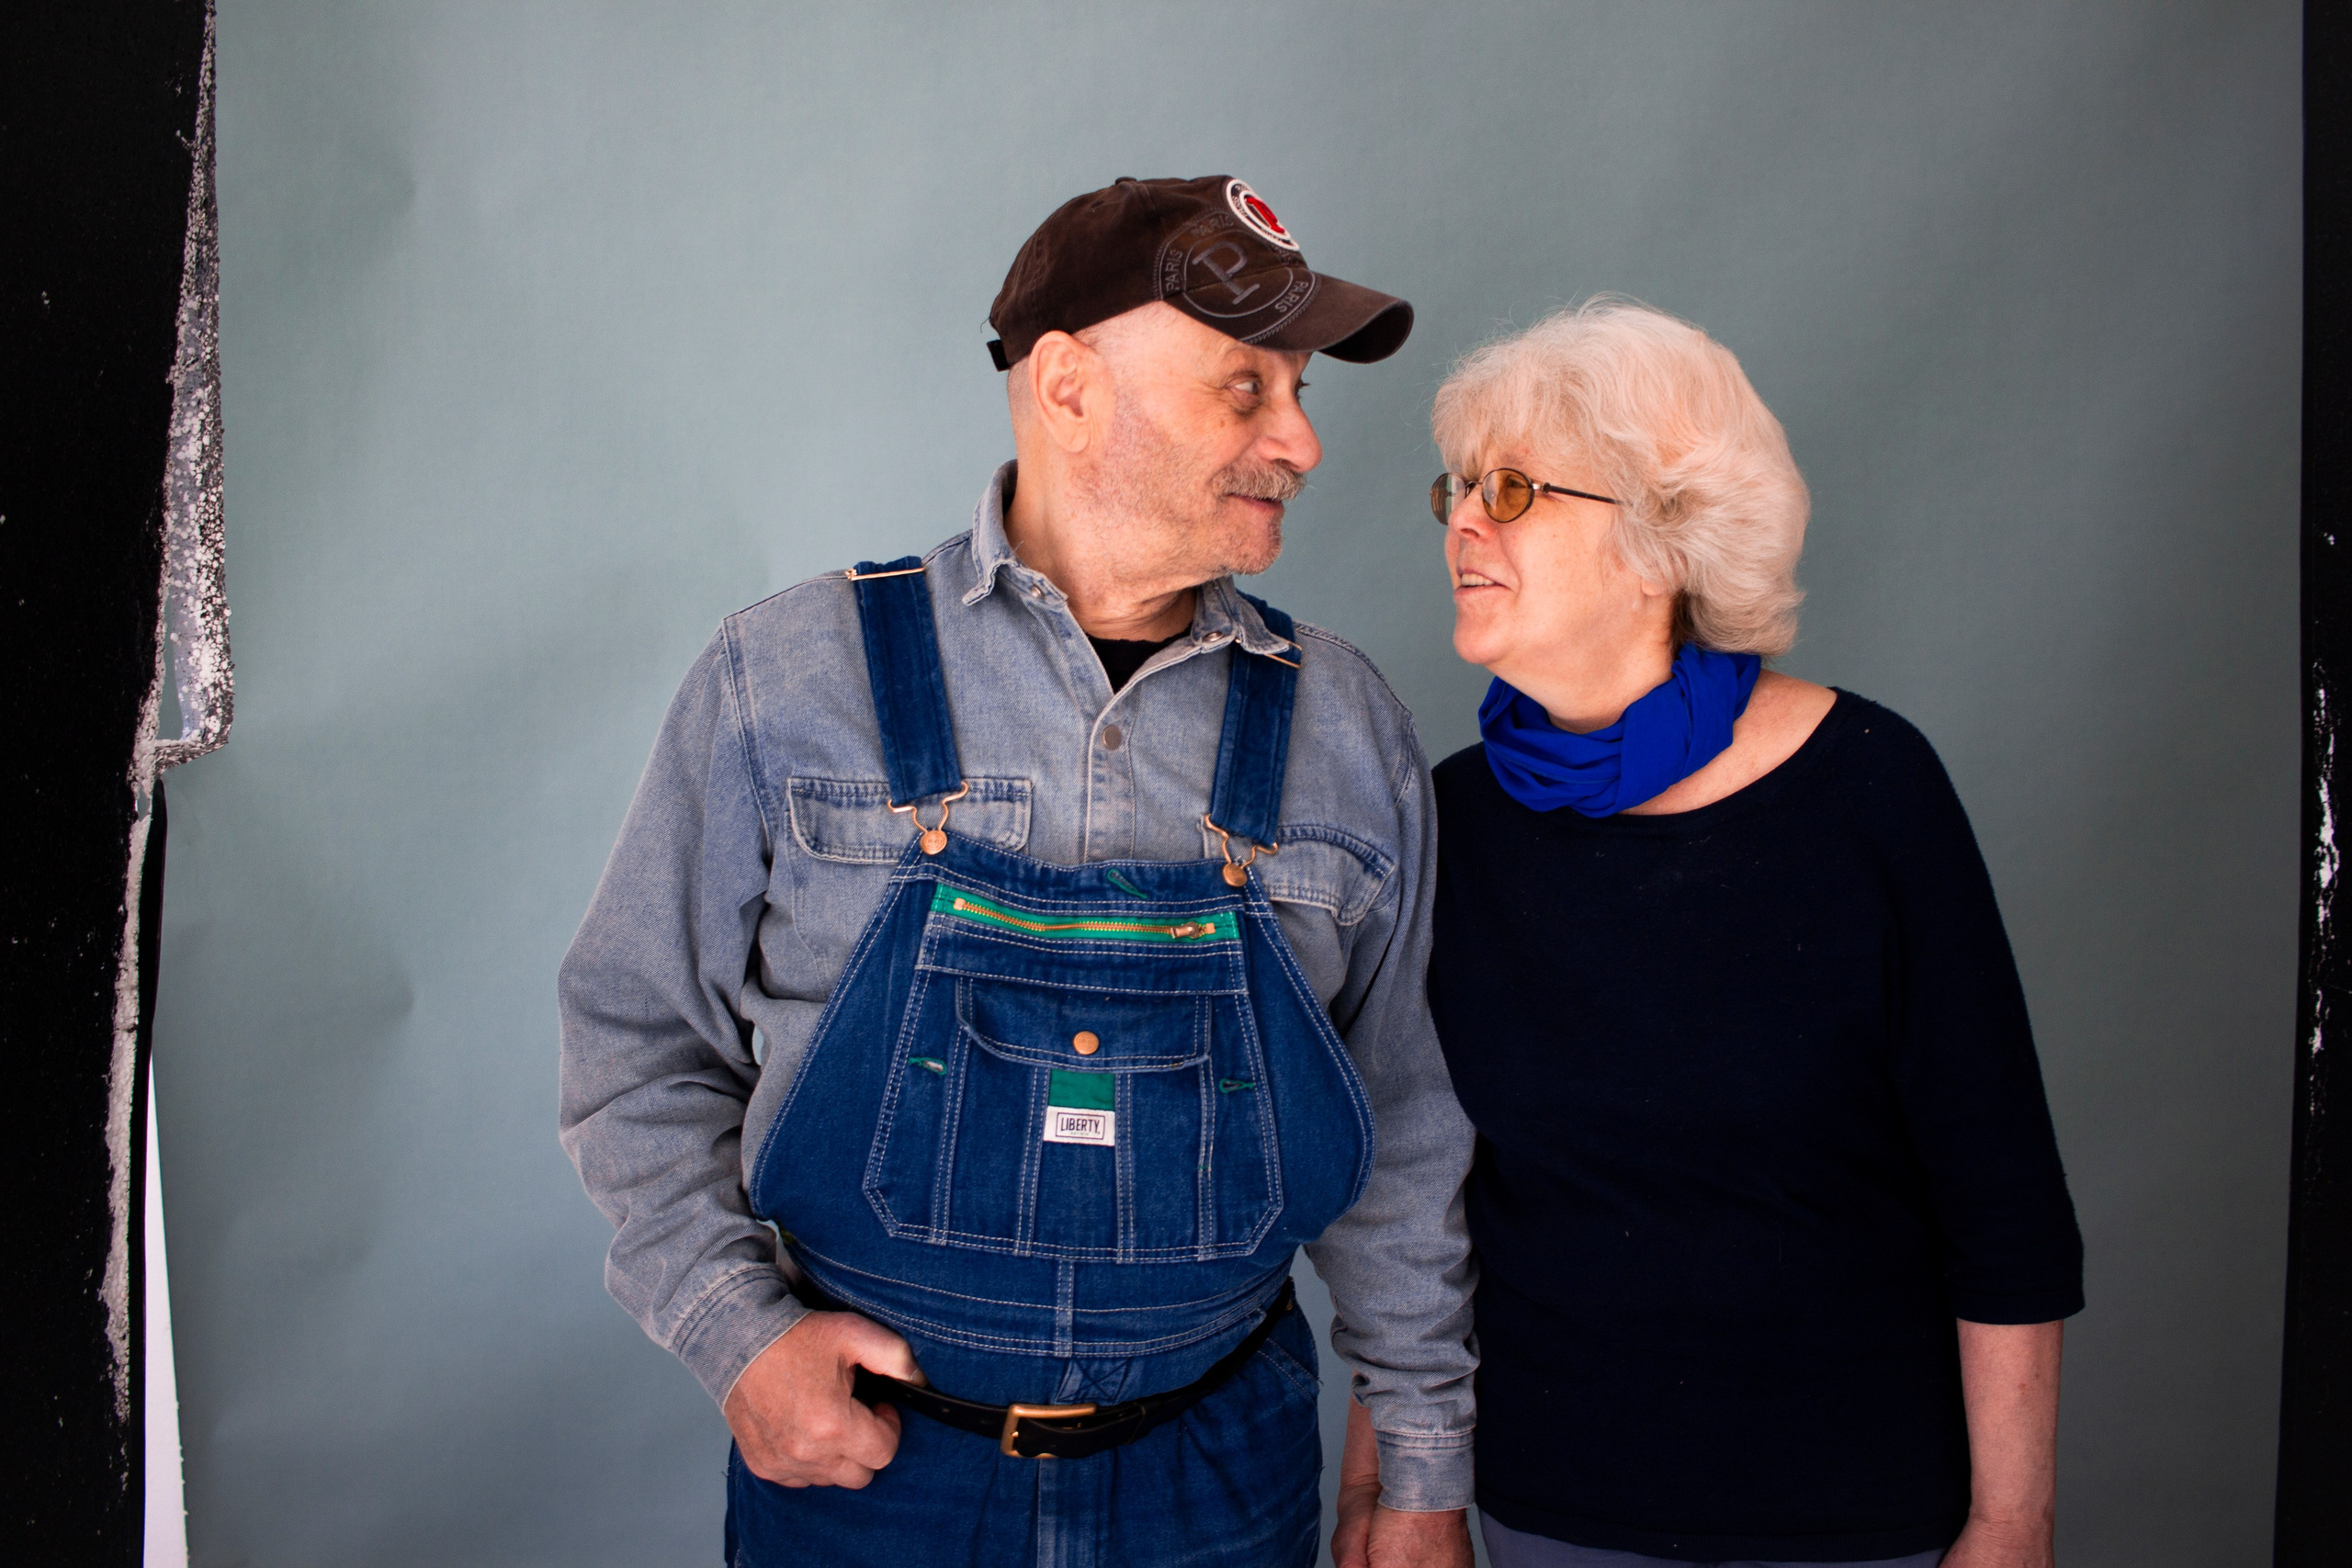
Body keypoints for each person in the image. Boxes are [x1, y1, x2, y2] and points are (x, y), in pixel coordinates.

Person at [558, 175, 1479, 1568]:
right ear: (1065, 387)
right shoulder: (786, 681)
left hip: (1219, 1481)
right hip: (876, 1478)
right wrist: (735, 1338)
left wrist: (1418, 1471)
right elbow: (634, 1046)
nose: (1302, 440)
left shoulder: (1348, 727)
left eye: (1301, 391)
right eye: (1247, 388)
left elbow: (1402, 1132)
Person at [1380, 298, 2084, 1568]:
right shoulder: (1452, 820)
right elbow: (1415, 1208)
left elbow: (2005, 1197)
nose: (1465, 522)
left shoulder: (1872, 788)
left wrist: (2014, 1521)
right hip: (1548, 1513)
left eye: (1519, 491)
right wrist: (1393, 1492)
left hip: (1856, 1520)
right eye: (1460, 491)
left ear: (1663, 543)